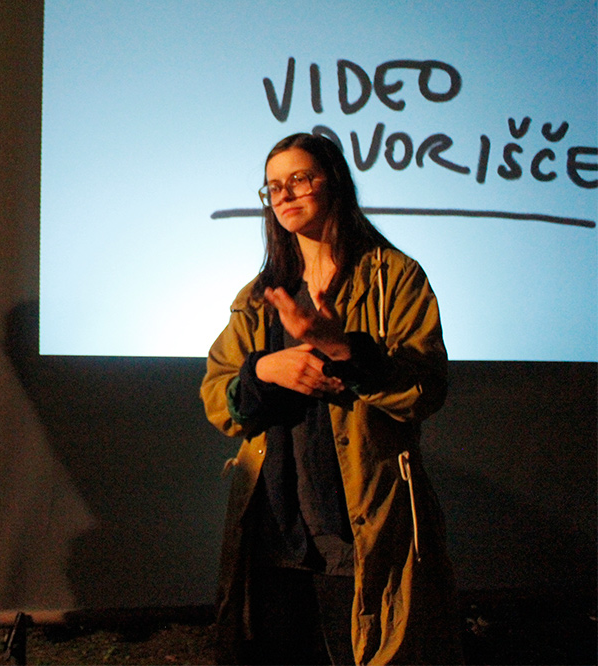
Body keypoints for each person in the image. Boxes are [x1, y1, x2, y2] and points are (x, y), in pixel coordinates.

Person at [200, 133, 462, 665]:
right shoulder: (261, 295)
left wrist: (339, 346)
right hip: (276, 533)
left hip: (361, 530)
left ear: (334, 182)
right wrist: (264, 370)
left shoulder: (393, 278)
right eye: (273, 186)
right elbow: (218, 398)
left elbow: (426, 389)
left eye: (299, 179)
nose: (285, 194)